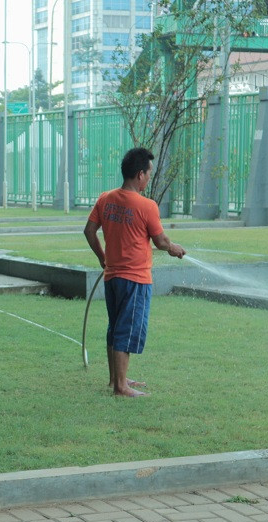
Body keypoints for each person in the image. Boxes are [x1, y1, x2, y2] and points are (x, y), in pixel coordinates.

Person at [83, 147, 185, 398]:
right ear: (140, 174)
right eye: (148, 174)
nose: (149, 179)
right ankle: (121, 387)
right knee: (126, 331)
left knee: (115, 327)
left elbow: (89, 231)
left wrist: (102, 258)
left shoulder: (105, 199)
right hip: (135, 280)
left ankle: (115, 380)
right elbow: (160, 242)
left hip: (112, 277)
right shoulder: (147, 206)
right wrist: (174, 248)